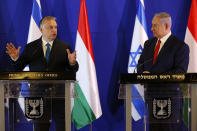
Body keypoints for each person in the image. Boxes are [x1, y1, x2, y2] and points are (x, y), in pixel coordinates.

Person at [6, 16, 78, 131]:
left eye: (55, 27)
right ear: (41, 29)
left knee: (62, 127)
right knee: (40, 128)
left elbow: (73, 70)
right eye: (50, 27)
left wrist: (72, 63)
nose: (54, 30)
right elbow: (18, 67)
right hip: (38, 95)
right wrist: (15, 58)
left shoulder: (64, 47)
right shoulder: (31, 47)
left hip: (59, 95)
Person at [137, 12, 189, 131]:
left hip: (170, 99)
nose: (151, 28)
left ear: (166, 26)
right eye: (152, 25)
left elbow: (179, 73)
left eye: (155, 25)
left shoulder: (180, 46)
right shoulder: (149, 44)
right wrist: (143, 74)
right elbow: (140, 65)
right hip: (151, 97)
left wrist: (153, 77)